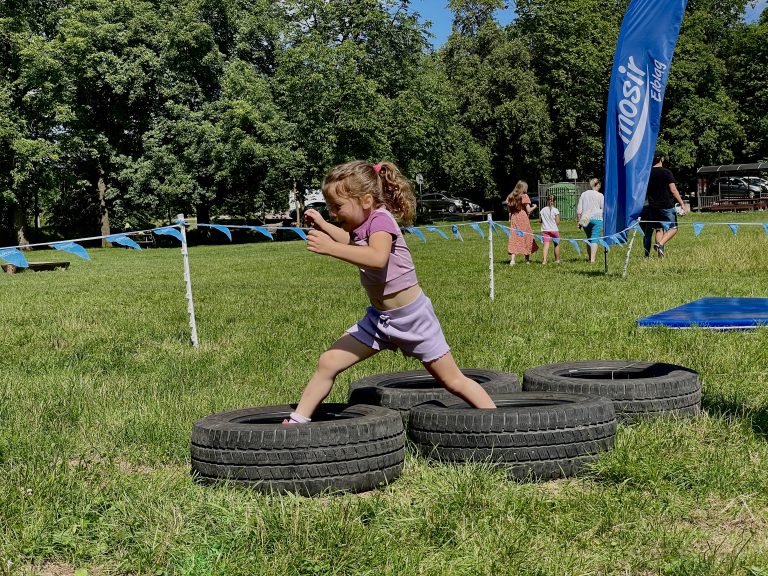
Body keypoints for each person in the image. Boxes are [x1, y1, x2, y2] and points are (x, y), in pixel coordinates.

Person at [283, 160, 496, 424]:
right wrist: (323, 225)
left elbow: (376, 257)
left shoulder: (382, 220)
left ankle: (496, 421)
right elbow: (351, 242)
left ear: (366, 201)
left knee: (452, 381)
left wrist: (329, 247)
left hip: (413, 319)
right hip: (379, 321)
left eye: (338, 207)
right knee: (328, 362)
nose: (334, 214)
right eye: (330, 208)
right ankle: (297, 421)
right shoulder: (361, 225)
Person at [641, 154, 688, 258]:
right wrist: (682, 203)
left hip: (653, 207)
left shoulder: (647, 173)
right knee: (673, 228)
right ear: (661, 159)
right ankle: (660, 244)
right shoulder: (667, 172)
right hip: (666, 205)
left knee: (658, 228)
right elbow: (673, 190)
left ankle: (660, 256)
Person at [506, 180, 538, 265]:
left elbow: (509, 210)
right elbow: (528, 210)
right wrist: (534, 207)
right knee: (527, 236)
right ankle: (527, 259)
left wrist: (510, 217)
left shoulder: (511, 196)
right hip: (523, 218)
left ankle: (512, 260)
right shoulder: (524, 196)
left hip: (514, 218)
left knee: (514, 237)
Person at [576, 178, 604, 264]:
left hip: (585, 220)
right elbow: (603, 209)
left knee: (589, 238)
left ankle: (589, 258)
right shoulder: (600, 195)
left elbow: (579, 209)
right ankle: (592, 260)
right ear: (597, 185)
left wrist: (579, 220)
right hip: (597, 219)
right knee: (595, 238)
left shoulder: (584, 194)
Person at [539, 194, 561, 264]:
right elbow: (558, 221)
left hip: (545, 230)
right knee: (556, 244)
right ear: (555, 201)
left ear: (547, 200)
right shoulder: (556, 210)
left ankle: (544, 260)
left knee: (546, 245)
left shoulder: (542, 210)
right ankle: (557, 260)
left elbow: (540, 221)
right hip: (554, 230)